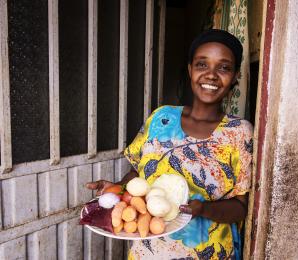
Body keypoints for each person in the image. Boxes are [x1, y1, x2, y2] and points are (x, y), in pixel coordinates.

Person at [86, 29, 253, 260]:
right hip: (149, 251)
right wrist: (117, 189)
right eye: (202, 64)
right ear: (190, 70)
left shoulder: (239, 132)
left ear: (235, 76)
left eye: (223, 67)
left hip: (206, 252)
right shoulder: (161, 118)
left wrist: (204, 210)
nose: (211, 75)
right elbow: (138, 171)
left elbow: (240, 206)